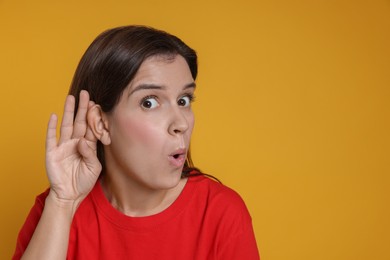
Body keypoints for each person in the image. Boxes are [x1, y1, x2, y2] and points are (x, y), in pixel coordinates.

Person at [13, 25, 260, 260]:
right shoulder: (55, 209)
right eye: (149, 102)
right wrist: (63, 203)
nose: (181, 124)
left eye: (184, 100)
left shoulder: (220, 213)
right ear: (101, 123)